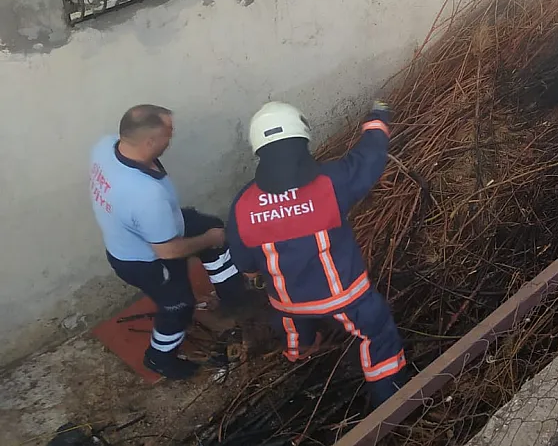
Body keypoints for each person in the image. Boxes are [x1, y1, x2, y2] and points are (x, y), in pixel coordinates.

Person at [224, 101, 409, 408]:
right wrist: (378, 115)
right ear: (302, 139)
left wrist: (260, 274)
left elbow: (243, 261)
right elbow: (370, 157)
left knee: (293, 327)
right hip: (347, 298)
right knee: (378, 336)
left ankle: (298, 352)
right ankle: (388, 405)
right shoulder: (331, 182)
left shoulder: (243, 203)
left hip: (288, 304)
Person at [89, 104, 245, 379]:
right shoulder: (145, 196)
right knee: (178, 306)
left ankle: (233, 297)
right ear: (150, 141)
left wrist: (210, 235)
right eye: (168, 134)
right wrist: (209, 238)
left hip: (155, 229)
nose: (172, 138)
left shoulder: (106, 146)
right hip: (145, 260)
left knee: (211, 230)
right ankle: (159, 358)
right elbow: (169, 250)